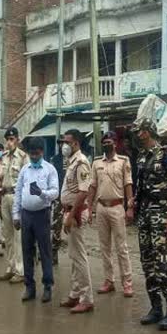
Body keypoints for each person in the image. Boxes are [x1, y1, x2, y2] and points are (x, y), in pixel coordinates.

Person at [134, 119, 167, 331]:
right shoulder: (142, 156)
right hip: (144, 214)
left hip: (160, 213)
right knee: (147, 261)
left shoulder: (166, 153)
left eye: (141, 131)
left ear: (148, 131)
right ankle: (155, 307)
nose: (138, 135)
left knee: (161, 261)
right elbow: (140, 186)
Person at [12, 137, 59, 303]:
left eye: (36, 154)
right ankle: (29, 287)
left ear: (42, 152)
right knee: (27, 251)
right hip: (26, 215)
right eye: (31, 154)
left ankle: (47, 286)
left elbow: (55, 192)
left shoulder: (50, 169)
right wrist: (16, 215)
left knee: (45, 251)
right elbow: (18, 193)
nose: (33, 156)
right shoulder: (25, 169)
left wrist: (41, 193)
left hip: (42, 214)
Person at [89, 131, 134, 297]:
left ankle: (127, 283)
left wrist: (130, 207)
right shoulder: (96, 163)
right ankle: (109, 280)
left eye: (109, 141)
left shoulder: (123, 161)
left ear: (115, 144)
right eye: (105, 141)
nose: (107, 144)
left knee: (121, 247)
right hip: (101, 207)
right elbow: (92, 185)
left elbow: (128, 183)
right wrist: (89, 207)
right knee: (104, 247)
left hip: (117, 207)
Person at [56, 129, 94, 314]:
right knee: (73, 256)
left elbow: (83, 191)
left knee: (79, 257)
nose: (64, 145)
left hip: (76, 214)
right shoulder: (71, 161)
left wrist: (70, 217)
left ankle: (86, 299)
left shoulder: (81, 162)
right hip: (69, 212)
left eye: (67, 141)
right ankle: (75, 293)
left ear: (76, 143)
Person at [0, 127, 29, 284]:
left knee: (18, 236)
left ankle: (20, 270)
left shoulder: (23, 157)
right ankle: (10, 268)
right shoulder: (4, 157)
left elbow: (27, 180)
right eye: (7, 139)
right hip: (4, 196)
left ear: (17, 139)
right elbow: (0, 178)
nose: (9, 142)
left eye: (12, 139)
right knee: (7, 235)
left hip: (17, 197)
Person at [50, 137, 68, 267]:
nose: (63, 146)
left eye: (65, 143)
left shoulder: (76, 160)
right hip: (58, 198)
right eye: (60, 143)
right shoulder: (54, 160)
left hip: (72, 199)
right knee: (55, 225)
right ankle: (53, 252)